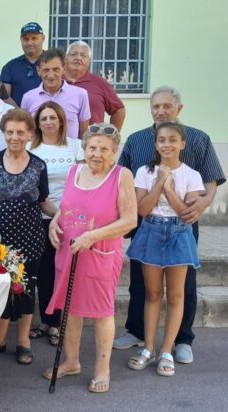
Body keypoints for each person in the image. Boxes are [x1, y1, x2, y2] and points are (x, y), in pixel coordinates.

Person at [114, 86, 225, 364]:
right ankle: (137, 332)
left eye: (167, 106)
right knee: (141, 282)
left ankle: (182, 339)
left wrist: (203, 202)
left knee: (184, 286)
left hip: (185, 220)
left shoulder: (198, 139)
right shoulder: (137, 140)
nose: (161, 111)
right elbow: (123, 178)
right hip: (146, 222)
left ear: (179, 109)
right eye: (156, 106)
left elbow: (210, 178)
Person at [45, 123, 137, 393]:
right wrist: (55, 222)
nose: (97, 154)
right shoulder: (75, 171)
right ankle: (71, 361)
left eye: (104, 149)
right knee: (70, 309)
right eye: (92, 148)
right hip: (69, 250)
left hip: (99, 253)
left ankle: (102, 367)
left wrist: (93, 236)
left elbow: (130, 220)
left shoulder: (122, 176)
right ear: (84, 149)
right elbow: (67, 207)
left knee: (101, 312)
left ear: (114, 152)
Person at [126, 122, 203, 377]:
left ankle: (167, 350)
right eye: (161, 140)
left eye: (172, 140)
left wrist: (169, 188)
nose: (166, 145)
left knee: (177, 295)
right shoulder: (144, 172)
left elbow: (185, 212)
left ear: (182, 144)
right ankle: (148, 348)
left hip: (180, 233)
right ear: (155, 143)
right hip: (150, 230)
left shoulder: (192, 175)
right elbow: (142, 209)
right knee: (153, 293)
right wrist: (159, 182)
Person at [0, 109, 50, 366]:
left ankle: (23, 342)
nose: (15, 137)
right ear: (3, 134)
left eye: (20, 132)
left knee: (25, 290)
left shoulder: (38, 165)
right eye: (10, 132)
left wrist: (63, 217)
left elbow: (44, 203)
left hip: (29, 239)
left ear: (30, 134)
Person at [25, 101, 84, 346]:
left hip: (69, 220)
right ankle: (46, 321)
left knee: (63, 271)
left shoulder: (76, 146)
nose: (48, 122)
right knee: (44, 272)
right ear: (37, 123)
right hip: (39, 218)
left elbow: (82, 182)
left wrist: (65, 215)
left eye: (53, 117)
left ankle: (59, 324)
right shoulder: (31, 147)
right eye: (43, 118)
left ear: (61, 121)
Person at [21, 48, 91, 139]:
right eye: (46, 70)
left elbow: (84, 134)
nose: (51, 75)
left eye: (56, 69)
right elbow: (25, 131)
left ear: (64, 69)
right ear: (38, 71)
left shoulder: (80, 95)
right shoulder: (28, 98)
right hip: (38, 152)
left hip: (69, 152)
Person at [64, 41, 126, 130]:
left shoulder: (100, 83)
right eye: (73, 54)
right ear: (65, 59)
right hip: (62, 141)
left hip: (92, 141)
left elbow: (119, 110)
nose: (78, 58)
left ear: (89, 61)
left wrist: (111, 136)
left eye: (83, 55)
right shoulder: (57, 81)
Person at [1, 22, 45, 107]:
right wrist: (22, 116)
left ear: (43, 38)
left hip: (47, 118)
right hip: (19, 118)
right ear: (21, 40)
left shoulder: (52, 63)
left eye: (34, 38)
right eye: (26, 39)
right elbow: (5, 97)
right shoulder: (10, 67)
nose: (29, 43)